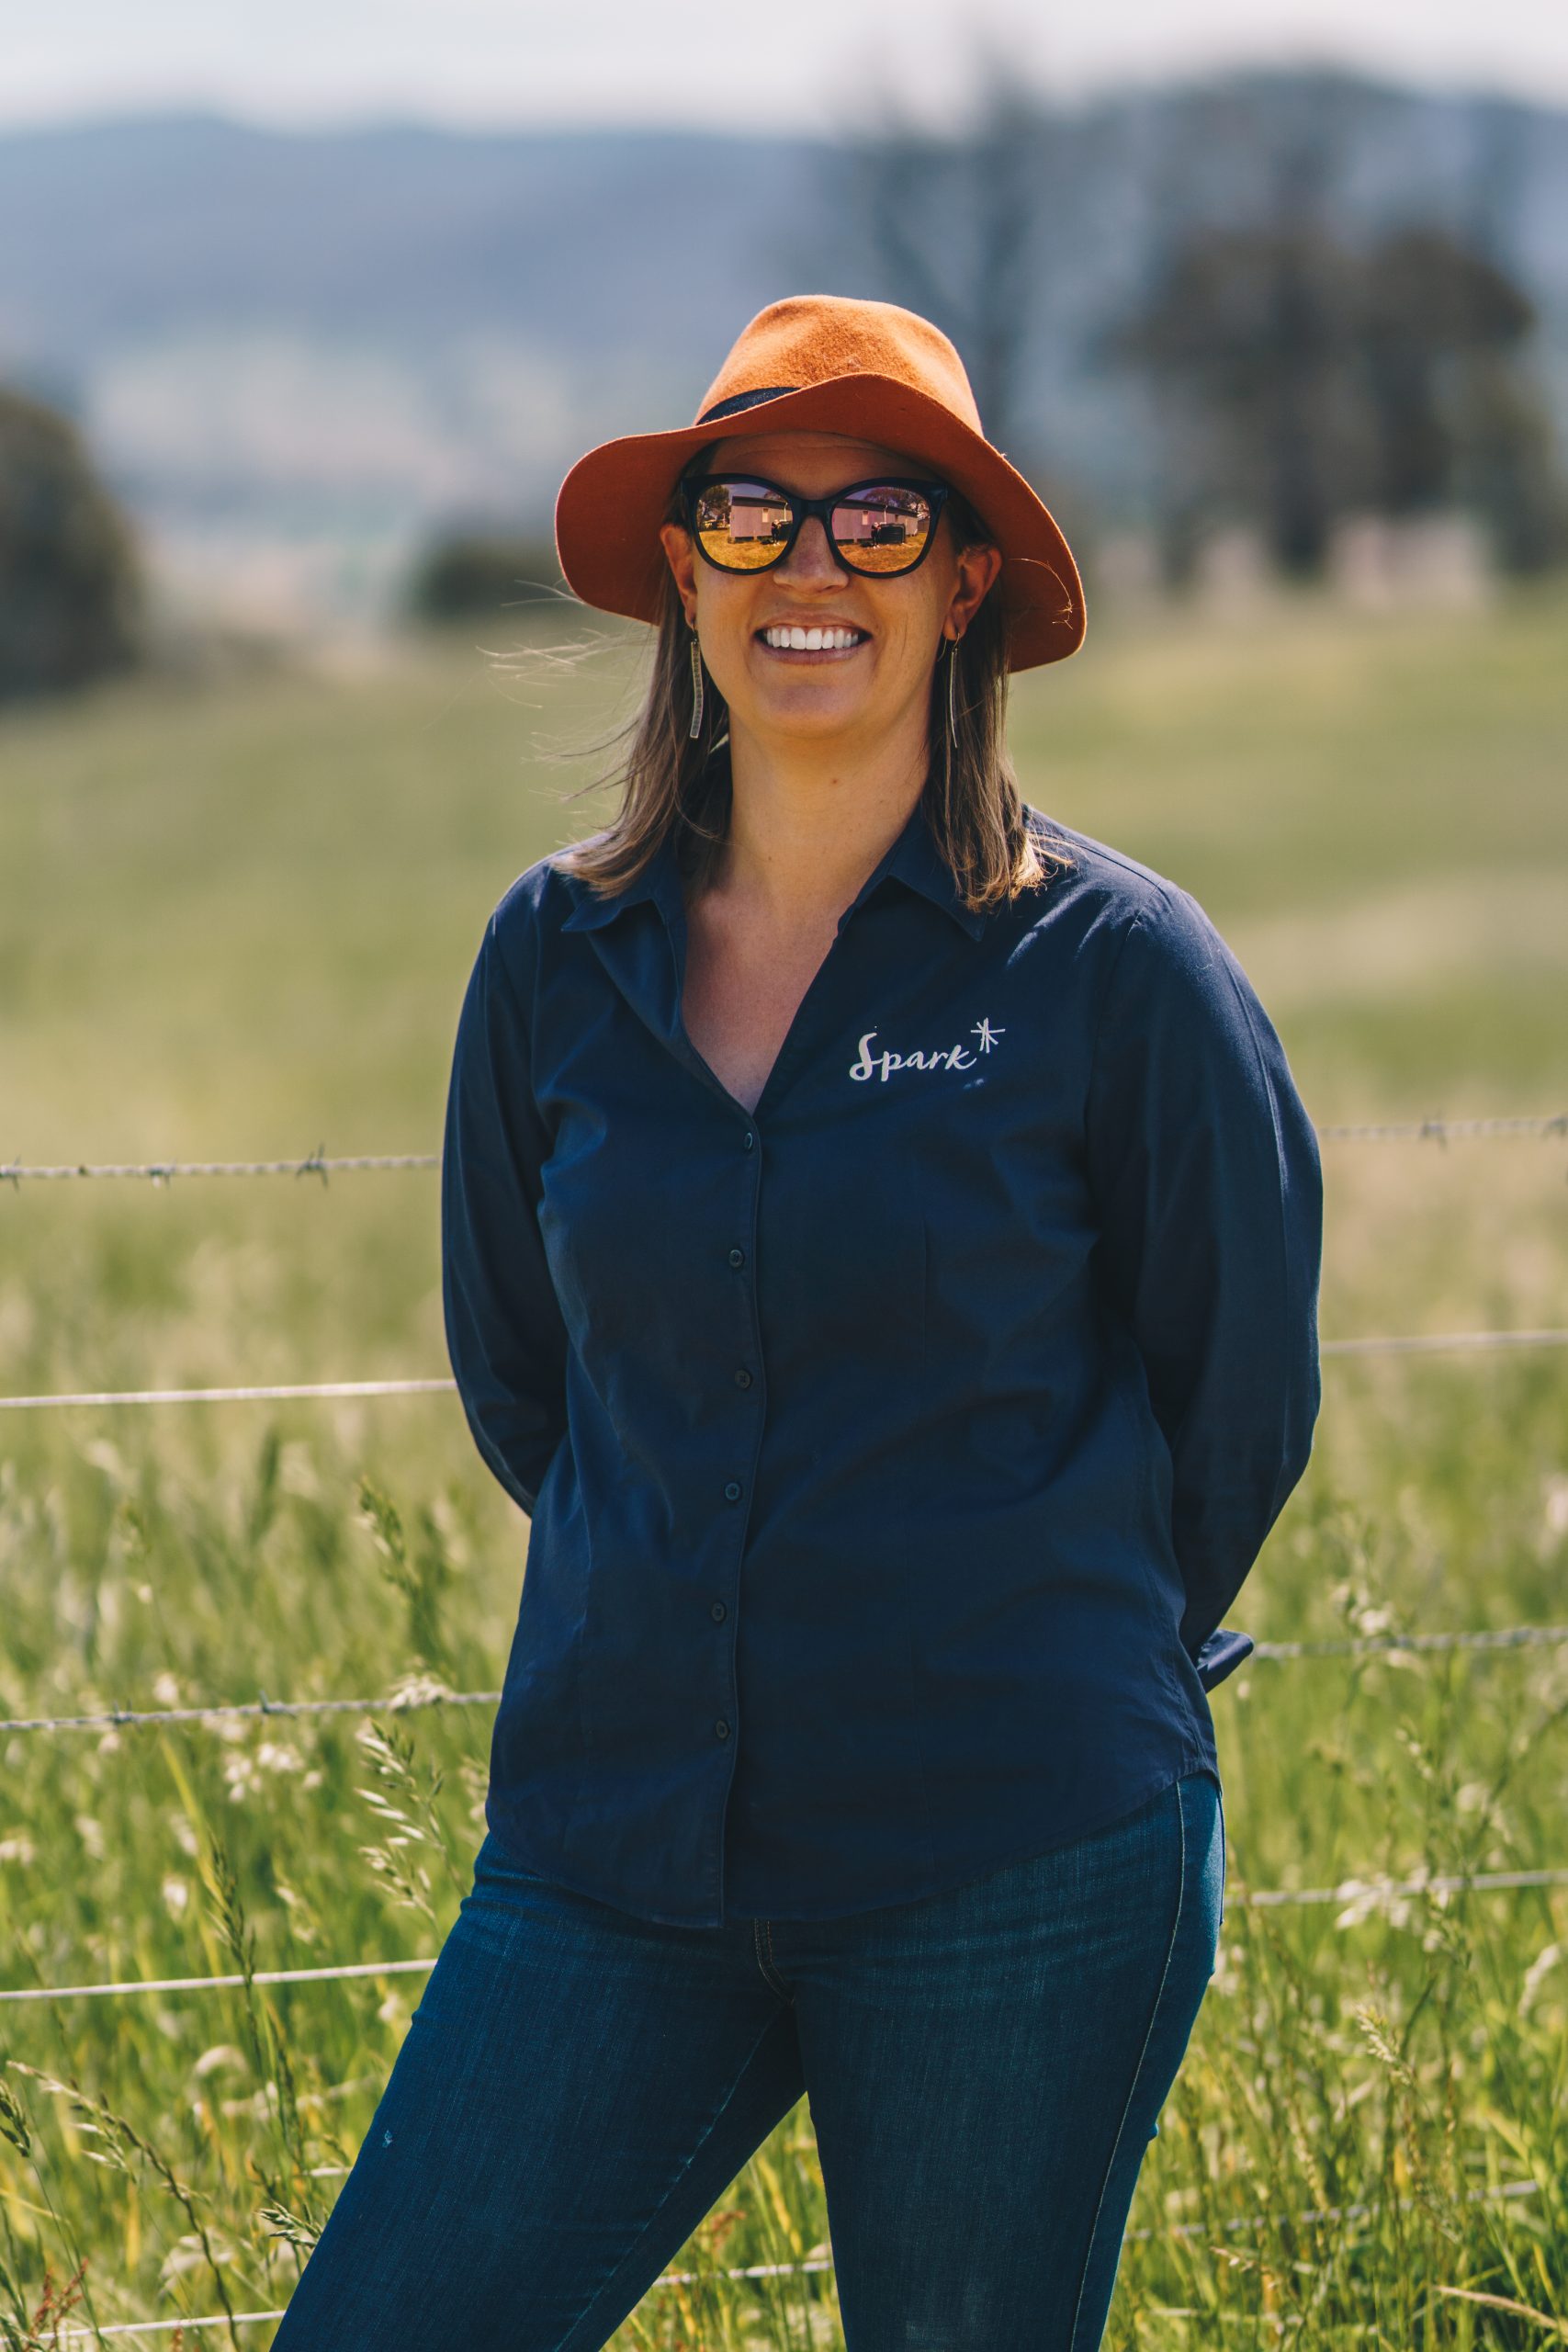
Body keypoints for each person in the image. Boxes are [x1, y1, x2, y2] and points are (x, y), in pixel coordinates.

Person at [274, 295, 1322, 2351]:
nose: (809, 567)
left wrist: (1037, 1634)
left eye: (878, 520)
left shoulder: (1116, 972)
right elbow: (529, 1382)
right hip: (609, 1849)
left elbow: (1243, 1399)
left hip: (1012, 1857)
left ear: (963, 584)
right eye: (752, 515)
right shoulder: (554, 960)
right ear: (685, 576)